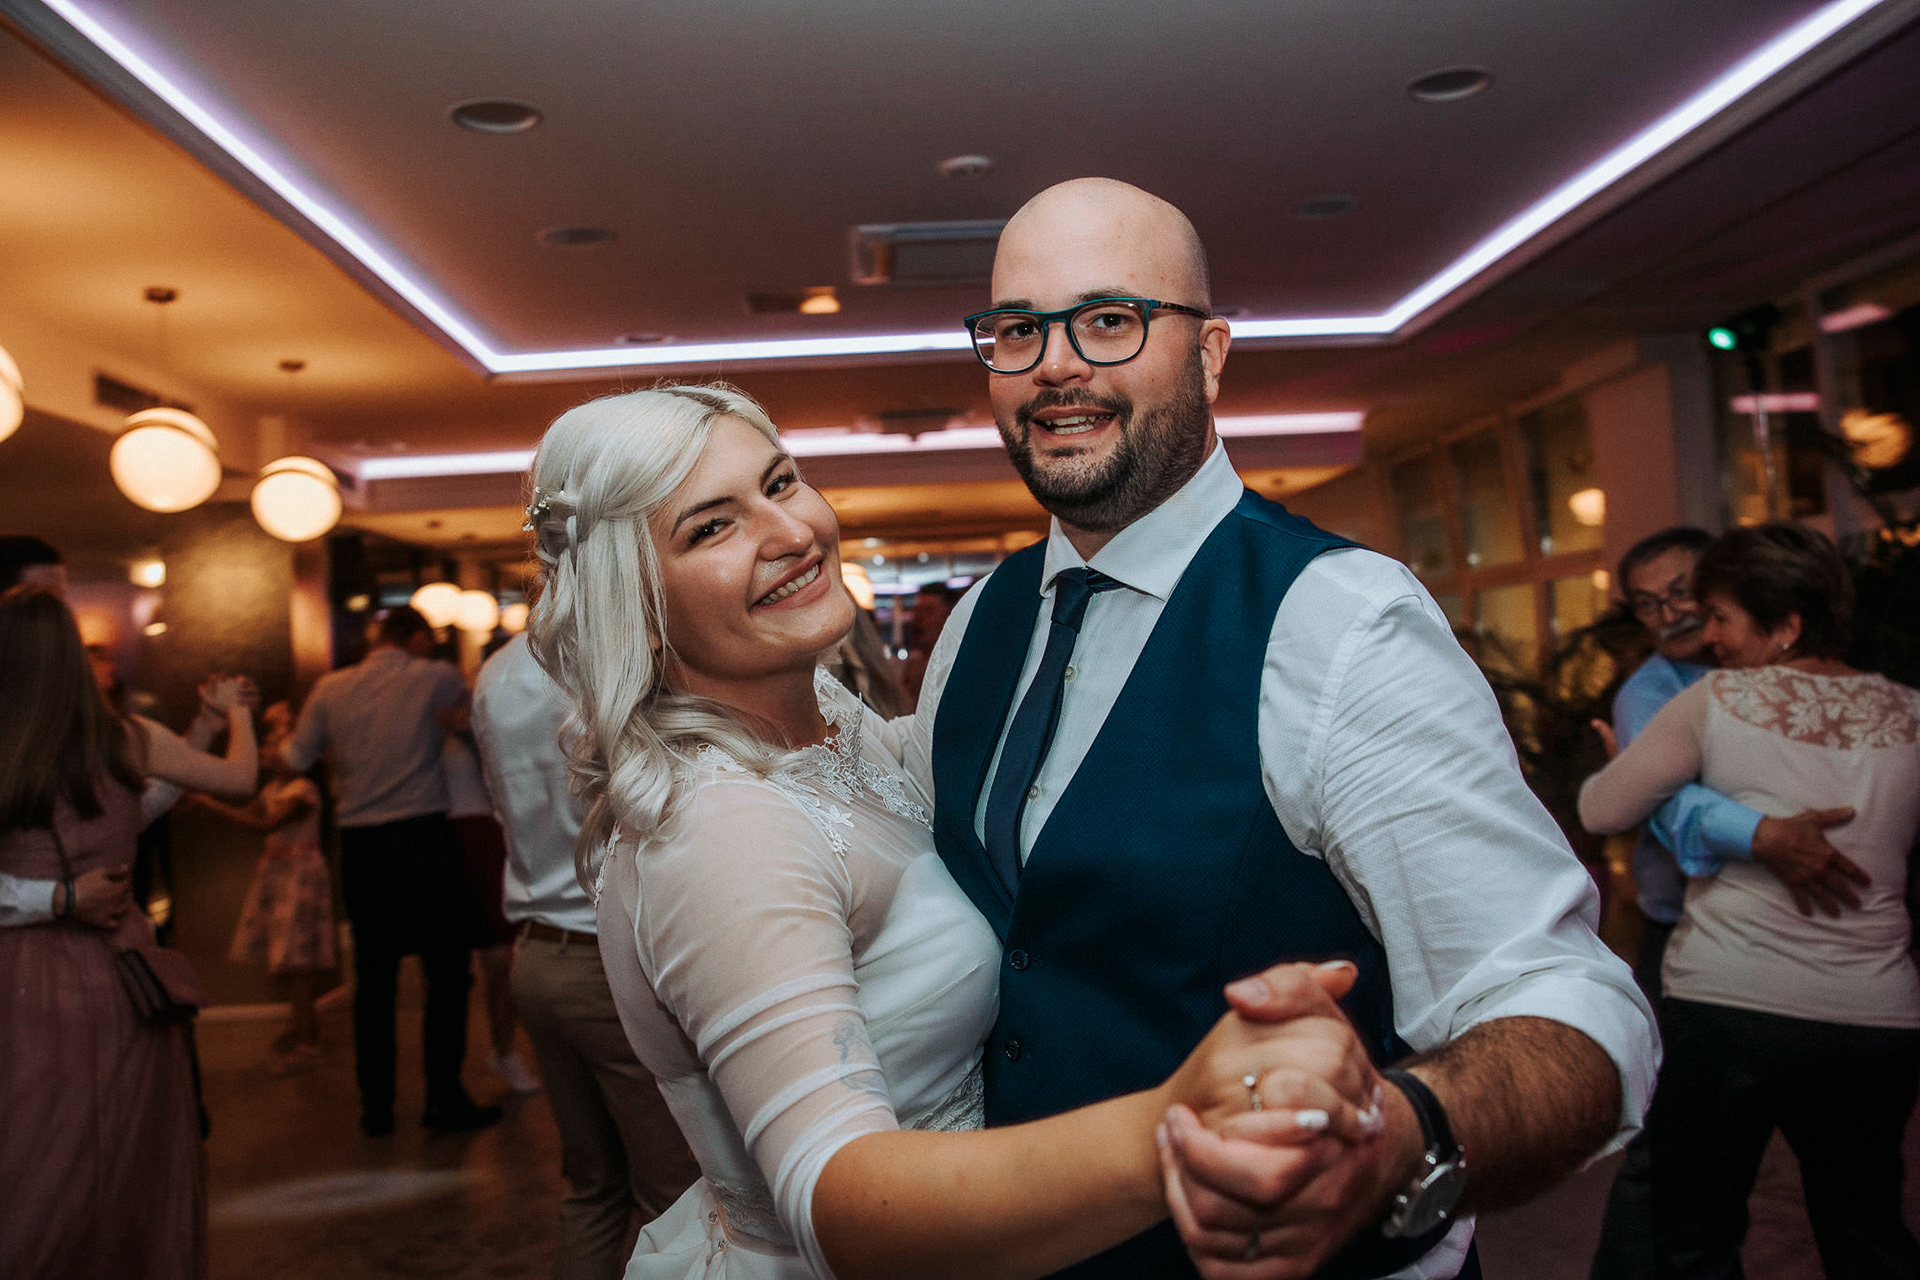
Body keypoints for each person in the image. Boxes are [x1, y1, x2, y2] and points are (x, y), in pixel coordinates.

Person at [899, 177, 1658, 1279]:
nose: (1055, 365)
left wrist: (1398, 1136)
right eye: (1018, 331)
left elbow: (1569, 1001)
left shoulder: (1341, 620)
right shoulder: (980, 621)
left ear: (1209, 355)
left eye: (1108, 320)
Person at [525, 384, 1370, 1280]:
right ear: (639, 609)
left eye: (779, 483)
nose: (791, 532)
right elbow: (840, 1203)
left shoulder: (824, 716)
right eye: (711, 528)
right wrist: (1177, 1120)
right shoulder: (722, 829)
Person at [1579, 521, 1920, 1278]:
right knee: (1868, 1233)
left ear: (1786, 623)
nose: (1706, 633)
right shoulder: (1912, 710)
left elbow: (1602, 809)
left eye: (1718, 615)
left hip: (1733, 1003)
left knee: (1695, 1234)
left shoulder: (1717, 699)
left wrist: (1626, 770)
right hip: (1877, 1014)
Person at [0, 584, 256, 1279]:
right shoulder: (127, 737)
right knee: (122, 1156)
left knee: (38, 1158)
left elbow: (125, 815)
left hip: (22, 976)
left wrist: (201, 728)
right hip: (117, 972)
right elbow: (239, 779)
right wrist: (236, 714)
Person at [472, 631, 699, 1280]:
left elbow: (501, 806)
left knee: (593, 1189)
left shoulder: (496, 673)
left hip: (539, 953)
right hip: (610, 962)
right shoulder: (610, 653)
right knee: (677, 1199)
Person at [281, 605, 499, 1135]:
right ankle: (442, 1099)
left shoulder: (330, 687)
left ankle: (376, 1107)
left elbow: (294, 758)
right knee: (446, 974)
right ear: (416, 638)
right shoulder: (437, 676)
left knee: (374, 980)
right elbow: (483, 726)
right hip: (423, 837)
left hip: (361, 845)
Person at [192, 702, 336, 1074]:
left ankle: (310, 1042)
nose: (270, 752)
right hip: (279, 872)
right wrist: (207, 802)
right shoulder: (274, 787)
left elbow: (265, 825)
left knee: (296, 962)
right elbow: (251, 813)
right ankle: (300, 1027)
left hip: (299, 874)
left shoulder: (303, 790)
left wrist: (212, 805)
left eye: (278, 746)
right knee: (286, 961)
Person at [442, 725, 541, 1094]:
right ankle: (446, 1083)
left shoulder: (479, 719)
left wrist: (470, 731)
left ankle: (504, 1050)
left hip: (485, 836)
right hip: (435, 837)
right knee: (446, 970)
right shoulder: (415, 724)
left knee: (501, 958)